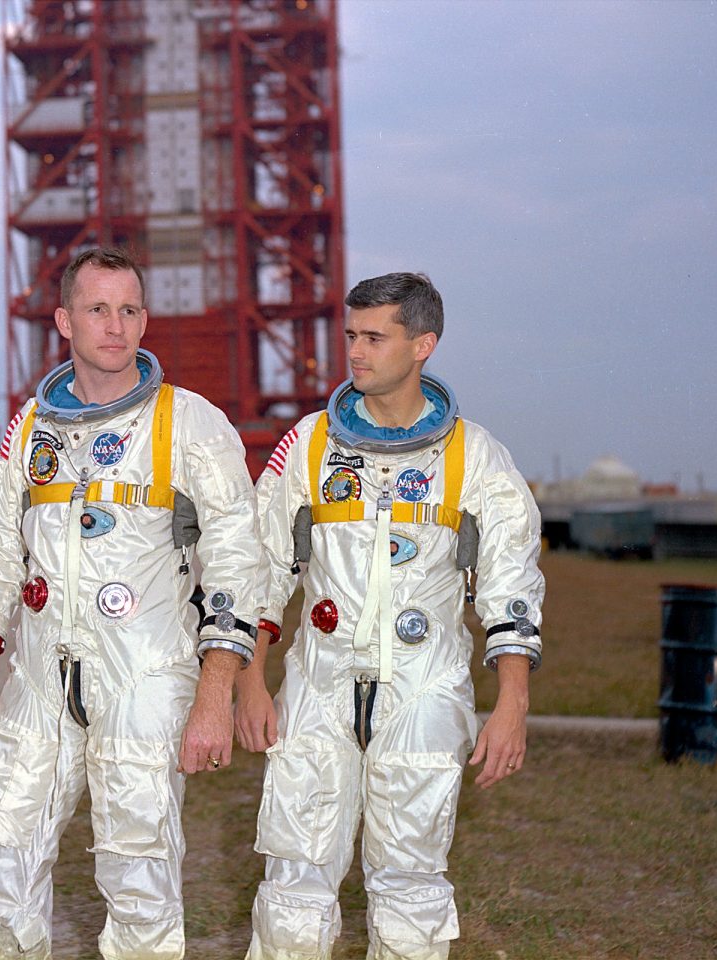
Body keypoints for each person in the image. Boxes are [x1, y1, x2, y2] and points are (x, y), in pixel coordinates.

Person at [0, 247, 263, 960]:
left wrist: (216, 695)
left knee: (139, 880)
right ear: (64, 319)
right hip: (39, 679)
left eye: (128, 310)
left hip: (145, 676)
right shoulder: (29, 430)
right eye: (97, 308)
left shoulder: (189, 422)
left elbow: (237, 565)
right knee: (0, 873)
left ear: (145, 320)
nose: (115, 326)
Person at [237, 273, 545, 960]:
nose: (356, 351)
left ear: (423, 344)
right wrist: (251, 680)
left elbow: (511, 585)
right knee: (294, 882)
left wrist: (512, 703)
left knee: (411, 886)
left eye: (375, 337)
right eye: (351, 335)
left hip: (423, 688)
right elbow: (260, 568)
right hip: (318, 686)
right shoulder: (311, 445)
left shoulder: (475, 458)